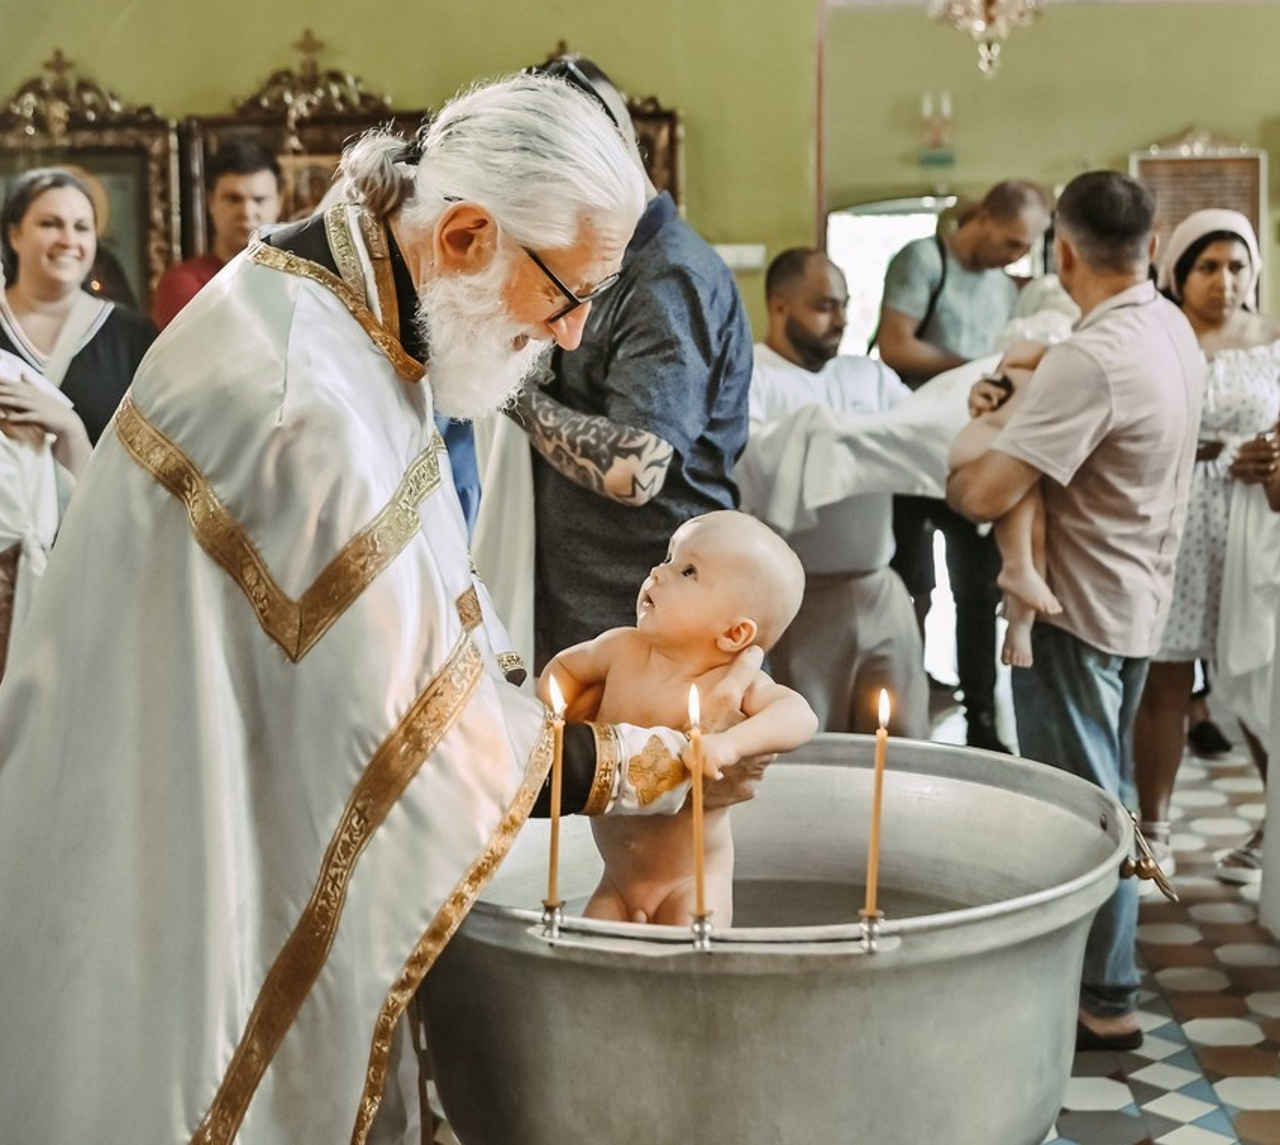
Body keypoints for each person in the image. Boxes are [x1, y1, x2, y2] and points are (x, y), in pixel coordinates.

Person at [0, 74, 770, 1145]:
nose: (573, 330)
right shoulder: (302, 402)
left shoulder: (360, 308)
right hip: (176, 870)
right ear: (463, 234)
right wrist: (656, 756)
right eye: (566, 293)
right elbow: (415, 746)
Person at [948, 170, 1203, 1052]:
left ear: (1060, 251)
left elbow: (982, 493)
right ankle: (1106, 977)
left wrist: (980, 427)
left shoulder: (1094, 358)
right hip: (1137, 597)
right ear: (1155, 245)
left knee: (1085, 807)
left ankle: (1103, 992)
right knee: (1112, 792)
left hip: (1077, 608)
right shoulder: (1169, 327)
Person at [511, 54, 753, 673]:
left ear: (615, 150)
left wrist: (514, 396)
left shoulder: (666, 275)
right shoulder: (609, 259)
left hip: (660, 626)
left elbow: (636, 469)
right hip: (594, 606)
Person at [539, 509, 816, 925]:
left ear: (735, 634)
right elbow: (565, 670)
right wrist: (559, 710)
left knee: (687, 984)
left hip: (691, 885)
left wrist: (729, 744)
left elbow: (799, 715)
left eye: (688, 571)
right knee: (592, 974)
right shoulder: (621, 649)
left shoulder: (731, 682)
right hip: (616, 881)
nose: (658, 572)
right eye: (668, 557)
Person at [875, 179, 1052, 753]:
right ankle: (909, 706)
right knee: (910, 584)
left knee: (977, 586)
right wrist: (974, 370)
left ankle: (982, 721)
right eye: (1010, 242)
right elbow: (895, 345)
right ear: (982, 221)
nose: (1015, 256)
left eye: (1024, 247)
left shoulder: (1007, 286)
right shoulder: (923, 260)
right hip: (914, 445)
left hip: (971, 448)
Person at [1132, 209, 1280, 886]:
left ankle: (1272, 830)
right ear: (1178, 274)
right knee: (1168, 679)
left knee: (1253, 681)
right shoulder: (1159, 338)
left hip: (1252, 529)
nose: (1224, 282)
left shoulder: (1272, 340)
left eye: (1237, 267)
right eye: (1208, 267)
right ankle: (1154, 830)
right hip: (1175, 527)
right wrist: (1198, 451)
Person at [736, 247, 928, 738]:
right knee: (812, 748)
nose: (841, 319)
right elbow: (750, 470)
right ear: (779, 307)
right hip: (803, 597)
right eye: (825, 306)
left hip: (878, 585)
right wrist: (814, 435)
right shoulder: (752, 378)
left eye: (844, 304)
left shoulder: (869, 375)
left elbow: (921, 432)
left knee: (902, 743)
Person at [0, 168, 156, 464]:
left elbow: (150, 459)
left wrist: (70, 429)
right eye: (50, 224)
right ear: (14, 233)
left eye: (82, 228)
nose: (68, 240)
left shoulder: (132, 336)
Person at [946, 337, 1061, 669]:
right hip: (987, 445)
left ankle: (1019, 623)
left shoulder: (1029, 375)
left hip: (983, 444)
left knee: (1035, 529)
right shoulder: (1030, 364)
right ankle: (1017, 576)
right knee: (1028, 528)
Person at [151, 137, 283, 328]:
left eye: (259, 200)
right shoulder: (183, 283)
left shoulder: (297, 282)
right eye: (233, 199)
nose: (246, 212)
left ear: (280, 201)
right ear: (211, 202)